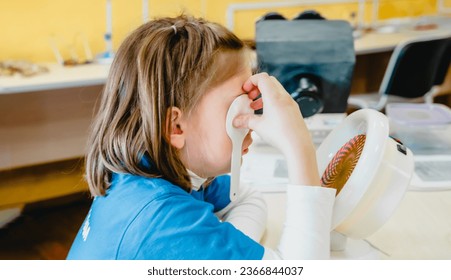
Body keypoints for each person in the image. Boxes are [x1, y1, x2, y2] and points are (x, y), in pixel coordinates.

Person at [67, 14, 336, 260]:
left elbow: (247, 196)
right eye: (237, 107)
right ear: (176, 127)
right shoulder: (162, 222)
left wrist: (226, 253)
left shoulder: (154, 166)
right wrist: (299, 145)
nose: (253, 123)